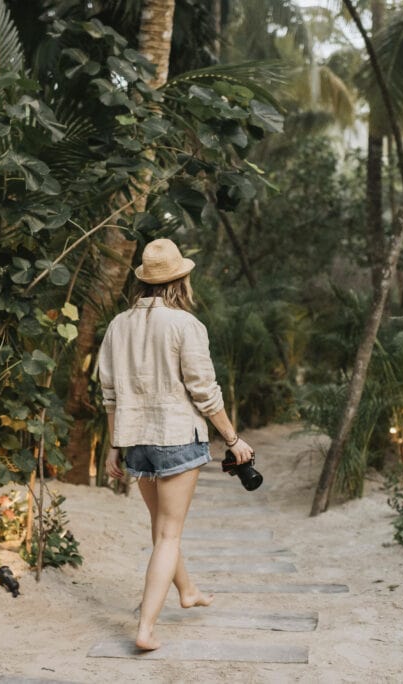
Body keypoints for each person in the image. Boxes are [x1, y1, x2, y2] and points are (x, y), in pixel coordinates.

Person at [98, 238, 255, 651]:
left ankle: (187, 591)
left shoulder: (118, 325)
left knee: (161, 529)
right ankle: (146, 628)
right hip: (176, 437)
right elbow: (204, 391)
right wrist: (233, 439)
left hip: (136, 442)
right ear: (180, 280)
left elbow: (109, 392)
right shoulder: (185, 325)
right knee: (169, 534)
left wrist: (115, 446)